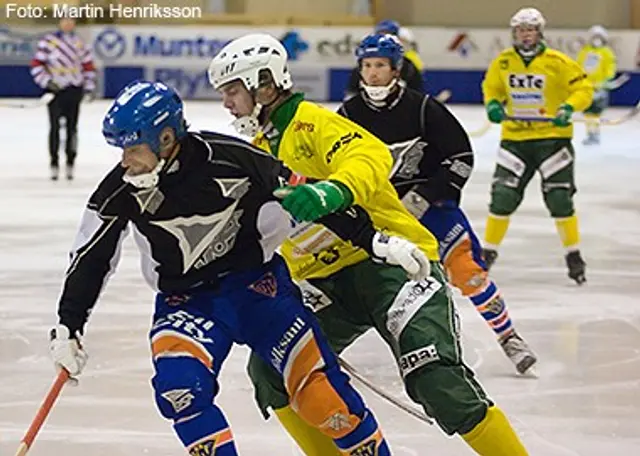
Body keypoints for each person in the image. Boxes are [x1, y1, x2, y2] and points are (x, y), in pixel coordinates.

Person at [47, 79, 443, 456]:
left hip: (260, 292)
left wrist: (375, 240)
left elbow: (306, 199)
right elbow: (90, 258)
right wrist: (69, 325)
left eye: (133, 149)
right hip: (186, 303)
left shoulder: (234, 158)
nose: (125, 162)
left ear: (166, 138)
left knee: (323, 397)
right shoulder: (119, 189)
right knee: (179, 391)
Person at [209, 33, 529, 456]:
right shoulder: (257, 149)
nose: (226, 103)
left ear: (263, 84)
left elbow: (370, 157)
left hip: (393, 263)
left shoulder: (312, 121)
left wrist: (333, 191)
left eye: (232, 91)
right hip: (325, 285)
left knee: (437, 382)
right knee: (272, 370)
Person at [338, 33, 537, 375]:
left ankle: (509, 337)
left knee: (468, 272)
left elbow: (460, 157)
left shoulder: (423, 107)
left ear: (396, 69)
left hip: (431, 211)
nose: (371, 74)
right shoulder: (348, 113)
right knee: (355, 280)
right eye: (366, 66)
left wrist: (425, 195)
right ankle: (325, 346)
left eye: (380, 66)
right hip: (379, 214)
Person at [481, 7, 593, 285]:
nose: (525, 36)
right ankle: (488, 253)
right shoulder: (503, 62)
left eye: (529, 30)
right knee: (502, 198)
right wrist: (493, 104)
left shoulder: (557, 61)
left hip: (552, 140)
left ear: (539, 32)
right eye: (520, 31)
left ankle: (573, 255)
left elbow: (584, 89)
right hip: (515, 140)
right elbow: (492, 88)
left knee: (559, 200)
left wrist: (569, 107)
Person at [30, 17, 96, 181]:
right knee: (54, 128)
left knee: (72, 128)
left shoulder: (80, 43)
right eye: (65, 20)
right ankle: (54, 162)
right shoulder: (48, 42)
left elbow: (88, 67)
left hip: (74, 90)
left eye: (71, 21)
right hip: (56, 91)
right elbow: (37, 65)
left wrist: (88, 88)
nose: (68, 24)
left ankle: (70, 162)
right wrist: (47, 82)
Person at [344, 20, 423, 100]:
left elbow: (417, 94)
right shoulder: (360, 66)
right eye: (368, 65)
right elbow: (352, 93)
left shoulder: (409, 67)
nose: (373, 73)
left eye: (380, 65)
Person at [576, 25, 617, 145]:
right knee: (587, 112)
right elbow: (579, 66)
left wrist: (607, 80)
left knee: (596, 112)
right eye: (594, 37)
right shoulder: (585, 51)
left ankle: (596, 133)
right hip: (587, 87)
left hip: (600, 87)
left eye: (599, 37)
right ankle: (590, 133)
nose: (596, 39)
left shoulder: (606, 52)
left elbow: (610, 67)